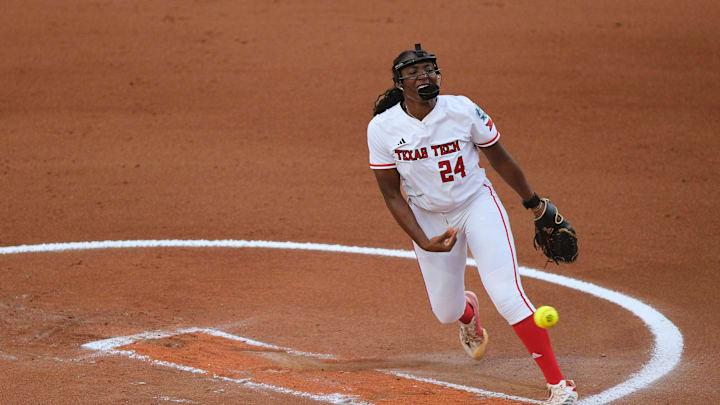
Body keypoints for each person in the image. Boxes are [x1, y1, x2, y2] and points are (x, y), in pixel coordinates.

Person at [366, 44, 578, 405]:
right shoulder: (382, 129)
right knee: (445, 311)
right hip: (428, 217)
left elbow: (500, 159)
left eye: (430, 69)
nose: (425, 77)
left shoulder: (462, 109)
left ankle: (559, 384)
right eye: (415, 73)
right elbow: (391, 195)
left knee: (508, 295)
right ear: (400, 83)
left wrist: (534, 203)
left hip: (476, 204)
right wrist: (423, 239)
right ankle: (468, 314)